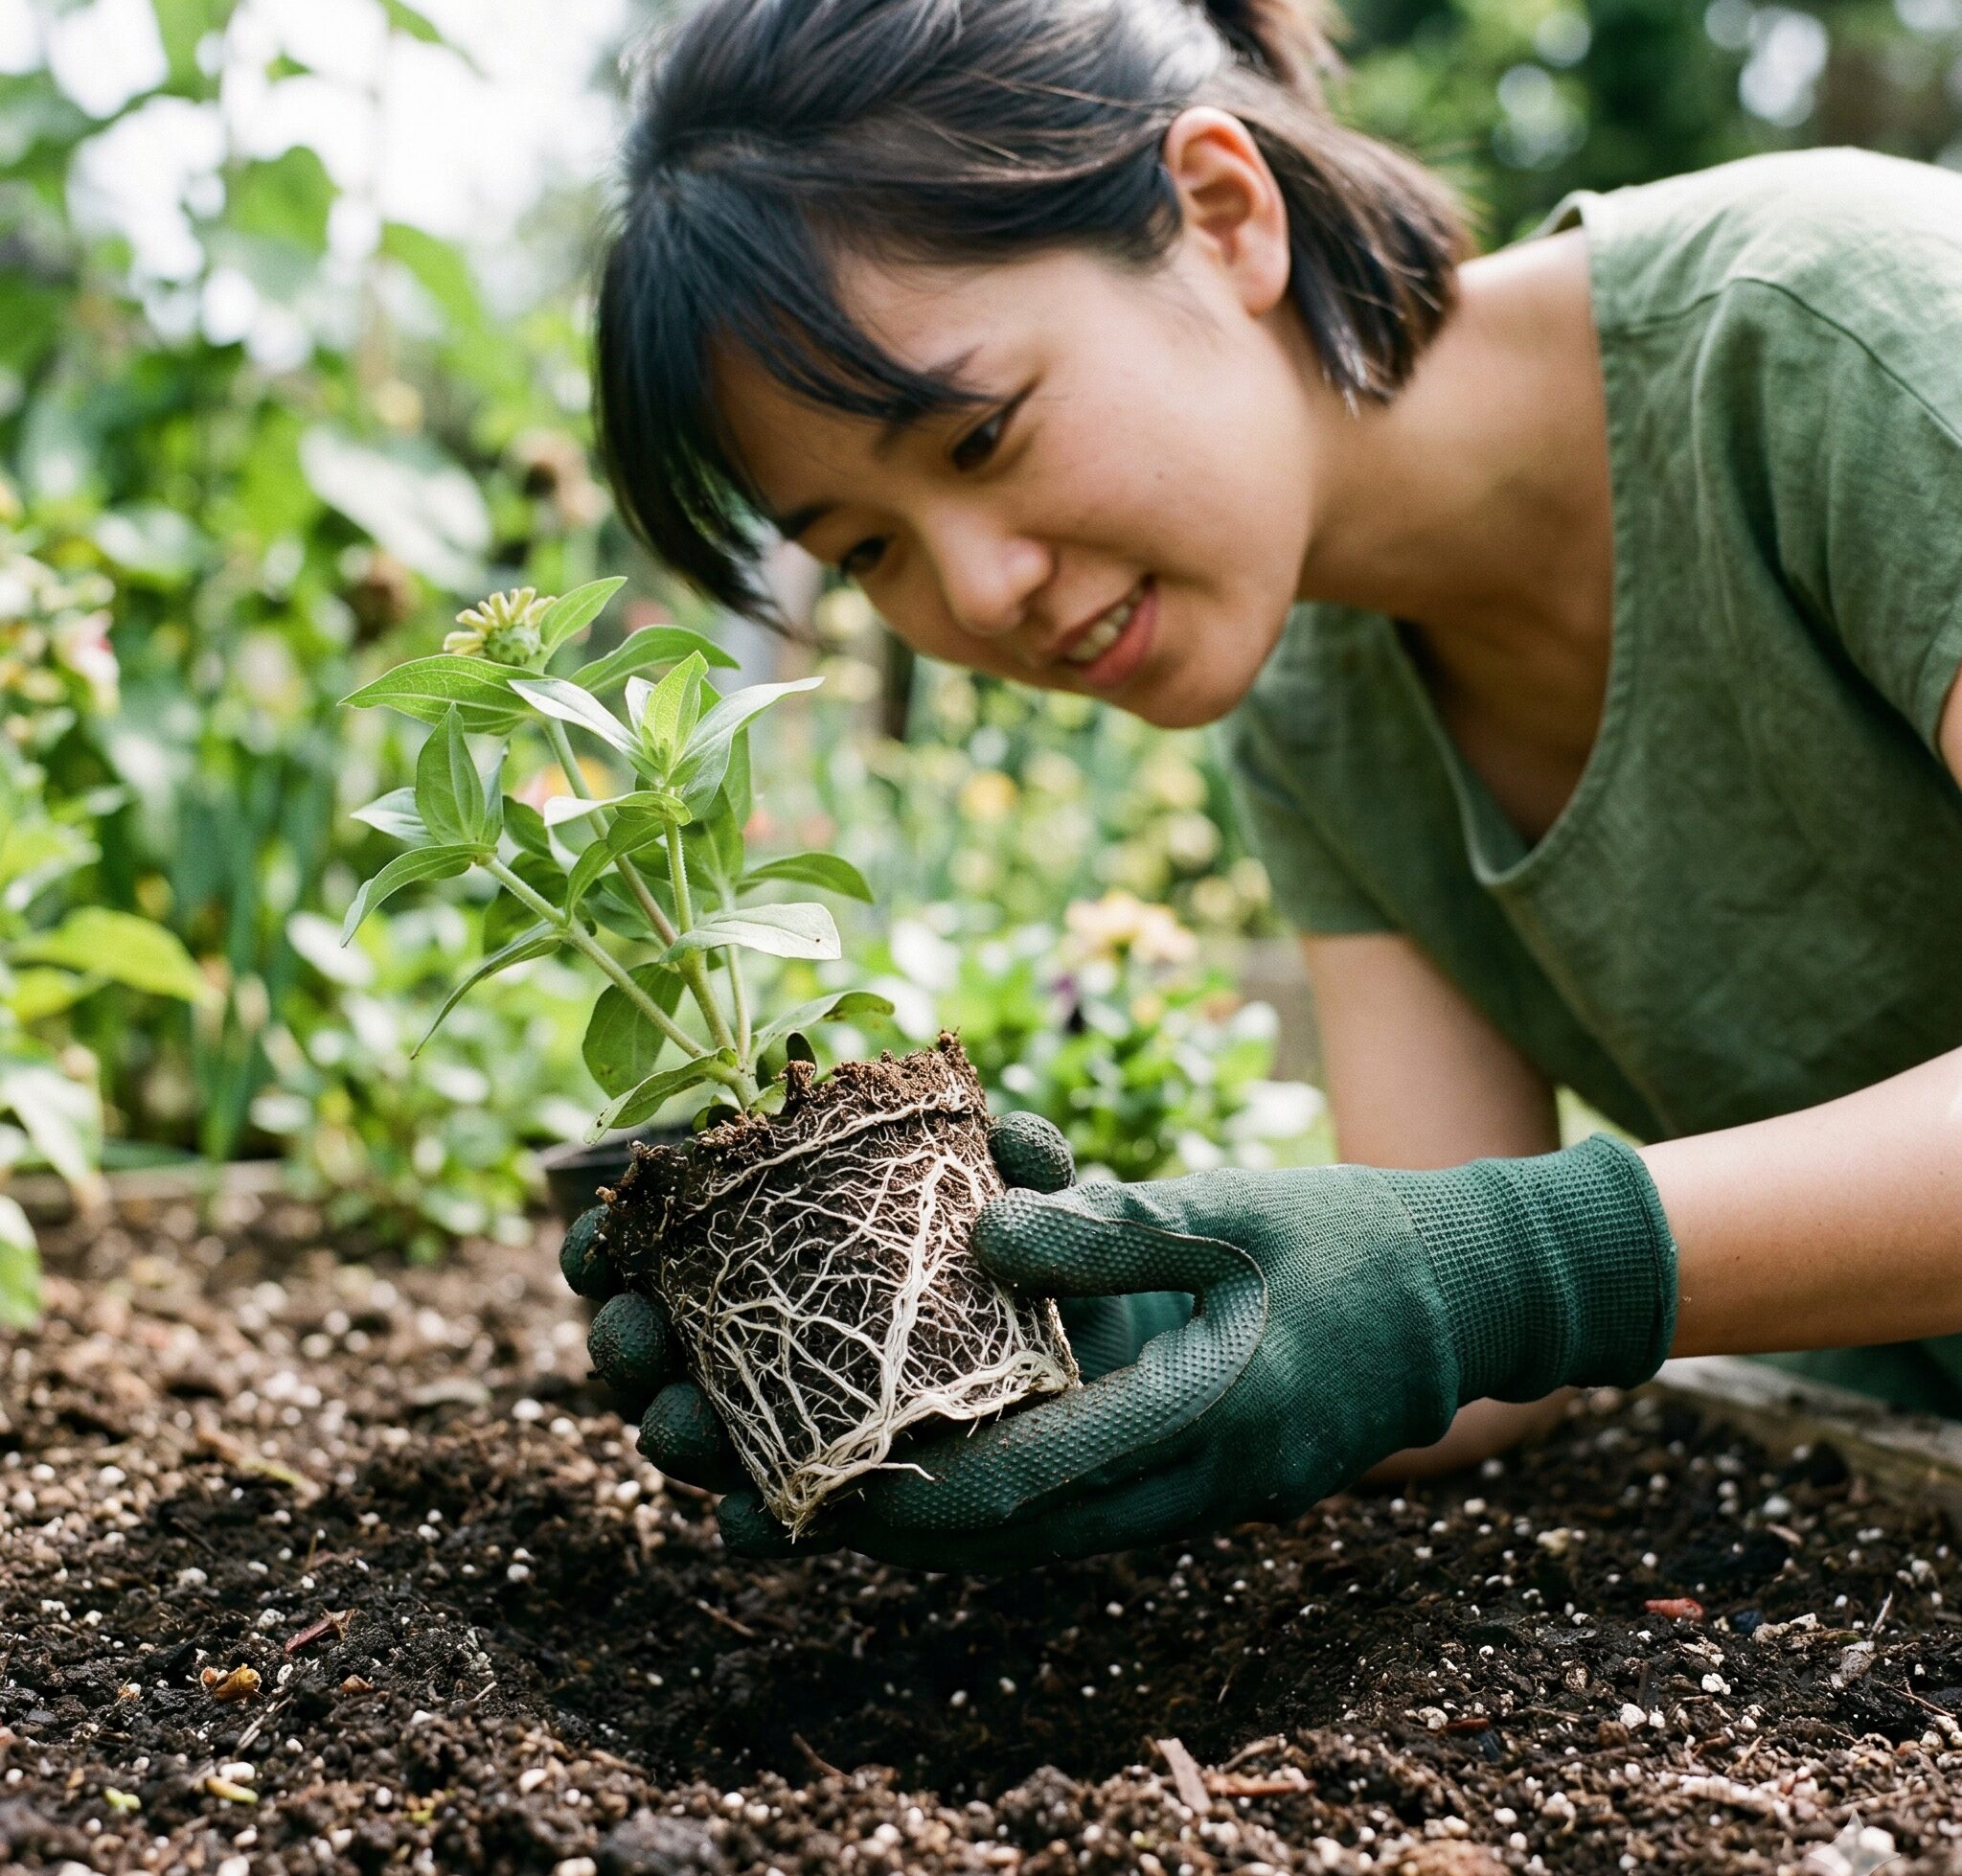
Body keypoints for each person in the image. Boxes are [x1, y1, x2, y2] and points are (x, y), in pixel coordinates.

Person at [569, 0, 1962, 1568]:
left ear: (1224, 215)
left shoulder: (1842, 339)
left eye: (980, 439)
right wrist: (1145, 1312)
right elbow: (1461, 1338)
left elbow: (1503, 1271)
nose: (977, 593)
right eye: (867, 552)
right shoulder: (1321, 709)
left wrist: (1524, 1268)